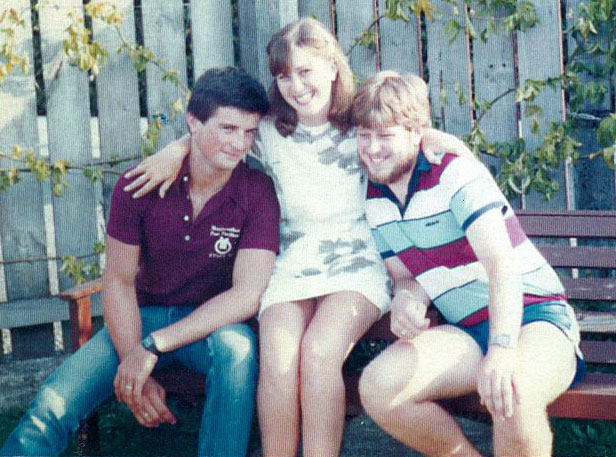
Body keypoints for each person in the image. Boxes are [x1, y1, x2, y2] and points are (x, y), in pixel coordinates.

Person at [123, 18, 472, 457]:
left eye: (305, 71)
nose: (296, 86)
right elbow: (213, 137)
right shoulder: (270, 131)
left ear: (332, 67)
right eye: (284, 76)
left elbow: (418, 137)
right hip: (292, 262)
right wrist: (176, 148)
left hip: (356, 264)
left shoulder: (359, 125)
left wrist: (451, 148)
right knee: (280, 354)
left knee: (320, 352)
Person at [0, 67, 280, 457]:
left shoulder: (257, 191)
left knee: (238, 350)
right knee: (51, 405)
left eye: (249, 132)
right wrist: (135, 357)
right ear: (193, 123)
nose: (239, 144)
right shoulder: (139, 185)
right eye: (228, 128)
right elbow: (118, 281)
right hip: (143, 319)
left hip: (211, 325)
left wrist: (152, 348)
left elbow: (246, 296)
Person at [352, 71, 585, 457]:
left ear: (417, 132)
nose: (372, 149)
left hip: (535, 318)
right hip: (467, 331)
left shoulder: (454, 172)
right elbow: (406, 277)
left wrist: (503, 349)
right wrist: (408, 299)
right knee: (379, 386)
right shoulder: (375, 197)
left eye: (385, 135)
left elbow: (501, 266)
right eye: (364, 135)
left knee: (512, 391)